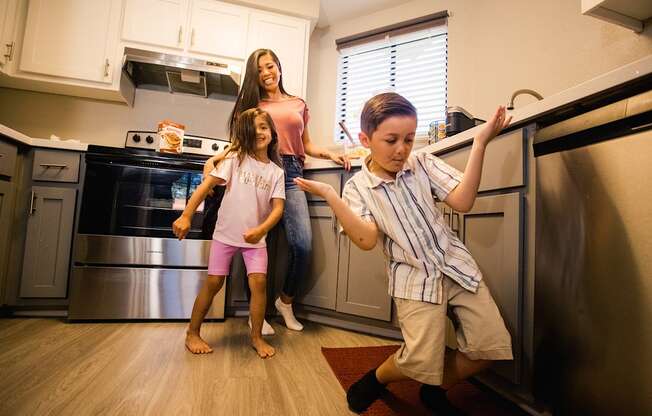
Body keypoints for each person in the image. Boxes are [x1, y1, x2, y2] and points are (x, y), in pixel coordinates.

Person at [294, 93, 514, 413]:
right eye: (391, 140)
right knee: (419, 360)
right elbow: (367, 239)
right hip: (414, 280)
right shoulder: (358, 188)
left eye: (409, 139)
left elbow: (464, 201)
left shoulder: (422, 162)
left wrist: (480, 143)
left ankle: (434, 388)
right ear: (365, 140)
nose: (402, 149)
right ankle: (378, 378)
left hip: (456, 266)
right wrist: (331, 194)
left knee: (489, 348)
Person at [205, 48, 350, 334]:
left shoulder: (298, 103)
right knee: (253, 246)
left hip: (291, 174)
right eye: (259, 70)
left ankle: (286, 301)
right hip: (256, 175)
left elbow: (306, 145)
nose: (266, 73)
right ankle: (254, 314)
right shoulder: (250, 104)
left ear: (279, 67)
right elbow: (238, 145)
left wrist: (330, 154)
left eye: (270, 66)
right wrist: (213, 159)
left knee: (302, 245)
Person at [173, 108, 285, 359]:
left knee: (259, 284)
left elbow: (278, 209)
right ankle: (192, 332)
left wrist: (261, 230)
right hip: (225, 235)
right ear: (244, 134)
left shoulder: (276, 172)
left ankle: (256, 337)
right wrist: (186, 215)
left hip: (255, 240)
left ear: (272, 132)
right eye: (253, 128)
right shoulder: (236, 159)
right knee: (214, 283)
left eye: (264, 127)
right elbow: (205, 187)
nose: (259, 132)